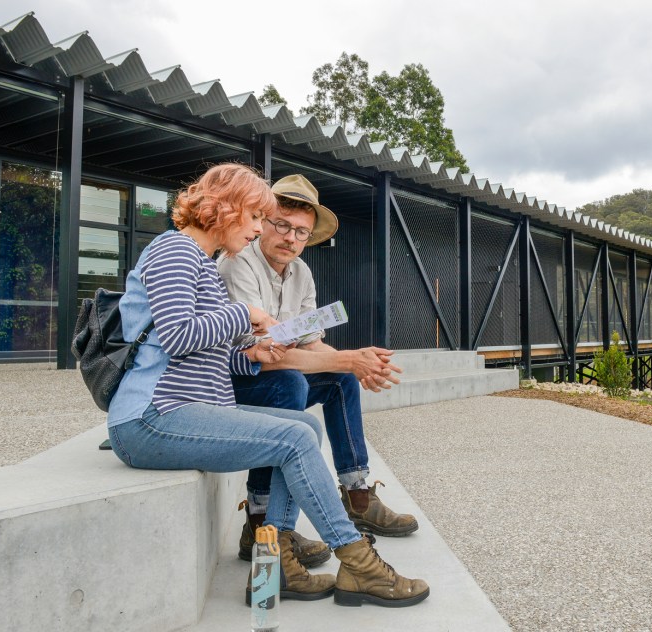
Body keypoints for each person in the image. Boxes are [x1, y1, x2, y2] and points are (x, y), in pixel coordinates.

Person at [106, 163, 428, 608]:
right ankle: (358, 562)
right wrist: (248, 316)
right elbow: (179, 337)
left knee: (304, 427)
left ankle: (273, 566)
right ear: (226, 208)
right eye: (257, 217)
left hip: (186, 410)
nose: (259, 229)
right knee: (296, 434)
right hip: (150, 417)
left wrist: (252, 354)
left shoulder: (199, 261)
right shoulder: (175, 250)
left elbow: (210, 354)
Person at [218, 174, 418, 568]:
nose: (291, 238)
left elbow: (311, 344)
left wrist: (356, 364)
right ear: (262, 221)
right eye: (281, 224)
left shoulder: (302, 272)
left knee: (339, 381)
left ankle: (357, 494)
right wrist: (349, 358)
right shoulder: (237, 263)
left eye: (302, 233)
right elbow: (264, 355)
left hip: (272, 374)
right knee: (287, 383)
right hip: (230, 382)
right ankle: (260, 520)